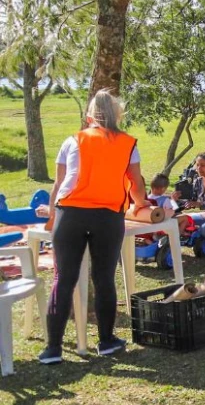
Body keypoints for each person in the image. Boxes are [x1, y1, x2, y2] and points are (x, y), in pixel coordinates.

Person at [39, 89, 148, 365]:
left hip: (70, 213)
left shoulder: (72, 140)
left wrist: (52, 215)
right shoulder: (128, 143)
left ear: (89, 117)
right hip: (108, 215)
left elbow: (59, 183)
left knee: (63, 279)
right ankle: (107, 341)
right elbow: (135, 183)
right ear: (117, 115)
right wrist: (140, 204)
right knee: (103, 279)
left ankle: (52, 349)